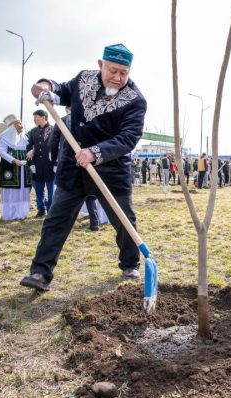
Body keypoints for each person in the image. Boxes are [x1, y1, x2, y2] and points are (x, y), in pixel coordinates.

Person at [20, 43, 147, 291]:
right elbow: (61, 91)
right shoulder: (83, 79)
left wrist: (95, 152)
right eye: (113, 70)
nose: (118, 77)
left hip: (111, 168)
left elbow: (128, 138)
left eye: (124, 72)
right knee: (57, 218)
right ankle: (40, 272)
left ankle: (130, 264)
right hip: (72, 164)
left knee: (124, 220)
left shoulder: (135, 100)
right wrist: (46, 87)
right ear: (100, 65)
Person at [0, 114, 32, 220]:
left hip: (23, 168)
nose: (21, 126)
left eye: (21, 123)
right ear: (12, 126)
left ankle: (22, 213)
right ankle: (10, 214)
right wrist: (13, 160)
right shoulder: (4, 137)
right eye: (18, 123)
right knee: (11, 190)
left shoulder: (24, 137)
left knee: (22, 189)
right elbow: (1, 151)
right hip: (9, 167)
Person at [27, 109, 60, 218]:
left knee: (51, 190)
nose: (34, 119)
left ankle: (51, 210)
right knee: (39, 189)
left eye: (36, 117)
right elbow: (28, 148)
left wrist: (56, 163)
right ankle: (41, 209)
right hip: (37, 165)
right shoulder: (33, 131)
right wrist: (31, 163)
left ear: (44, 117)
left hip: (50, 165)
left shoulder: (54, 130)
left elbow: (58, 147)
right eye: (34, 117)